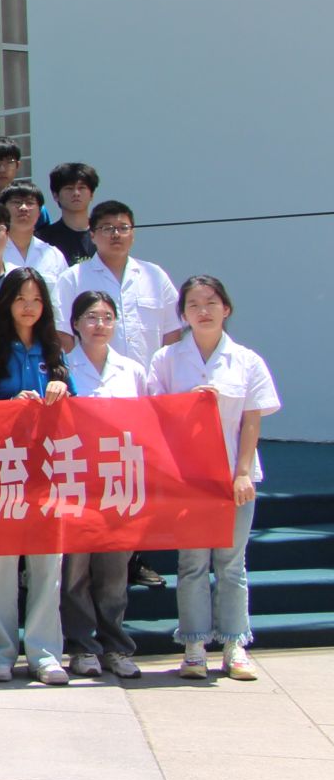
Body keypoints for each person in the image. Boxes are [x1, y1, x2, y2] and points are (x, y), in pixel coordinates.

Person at [152, 276, 280, 682]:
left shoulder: (246, 360)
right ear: (183, 314)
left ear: (226, 309)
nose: (203, 311)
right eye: (193, 304)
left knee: (230, 563)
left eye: (211, 302)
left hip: (232, 477)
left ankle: (234, 645)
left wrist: (242, 473)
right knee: (191, 563)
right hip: (187, 478)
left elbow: (251, 420)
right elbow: (154, 415)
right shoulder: (167, 359)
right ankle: (193, 646)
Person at [0, 269, 73, 686]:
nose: (28, 307)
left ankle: (45, 653)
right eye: (20, 299)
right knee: (1, 566)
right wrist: (10, 404)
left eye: (36, 300)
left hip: (48, 470)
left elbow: (77, 410)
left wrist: (62, 391)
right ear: (6, 304)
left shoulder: (55, 352)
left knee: (47, 565)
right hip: (2, 470)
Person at [63, 290, 152, 680]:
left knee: (114, 572)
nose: (99, 325)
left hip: (119, 480)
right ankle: (82, 646)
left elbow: (148, 426)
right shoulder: (62, 368)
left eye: (106, 318)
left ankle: (116, 646)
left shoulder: (132, 371)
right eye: (91, 317)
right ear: (75, 324)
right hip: (77, 479)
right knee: (76, 571)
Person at [53, 201, 182, 365]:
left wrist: (164, 372)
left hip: (150, 377)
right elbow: (63, 333)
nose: (116, 234)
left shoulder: (155, 276)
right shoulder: (72, 278)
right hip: (93, 378)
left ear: (132, 234)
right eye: (107, 228)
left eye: (123, 228)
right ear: (92, 235)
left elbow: (172, 330)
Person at [0, 183, 69, 281]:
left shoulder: (54, 255)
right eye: (17, 202)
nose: (23, 207)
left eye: (30, 203)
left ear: (39, 212)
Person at [38, 162, 99, 265]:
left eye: (81, 188)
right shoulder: (42, 240)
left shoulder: (105, 234)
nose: (76, 193)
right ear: (55, 195)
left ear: (92, 194)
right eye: (69, 188)